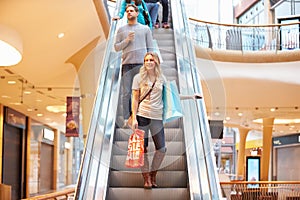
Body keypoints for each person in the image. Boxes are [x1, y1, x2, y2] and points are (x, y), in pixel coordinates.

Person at [131, 52, 166, 189]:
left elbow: (171, 96)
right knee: (142, 148)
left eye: (151, 60)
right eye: (146, 60)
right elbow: (134, 98)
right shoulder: (138, 78)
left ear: (156, 62)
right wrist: (134, 117)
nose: (149, 62)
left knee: (162, 148)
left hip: (157, 117)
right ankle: (146, 179)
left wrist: (191, 96)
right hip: (142, 115)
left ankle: (153, 174)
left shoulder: (162, 78)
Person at [114, 4, 154, 126]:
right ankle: (127, 118)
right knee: (126, 92)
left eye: (131, 11)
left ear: (137, 13)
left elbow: (150, 48)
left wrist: (150, 65)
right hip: (126, 64)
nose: (129, 13)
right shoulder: (121, 30)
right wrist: (127, 41)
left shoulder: (145, 29)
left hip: (141, 66)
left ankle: (140, 117)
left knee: (141, 92)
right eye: (127, 11)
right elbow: (116, 47)